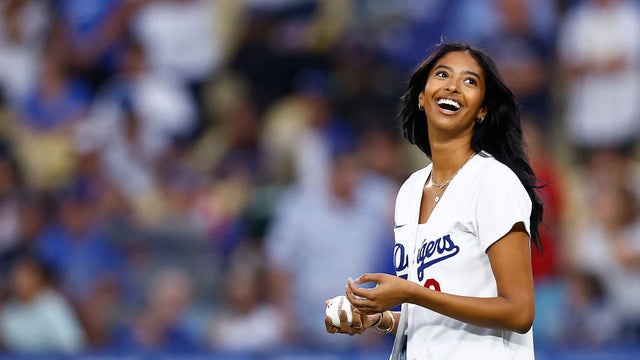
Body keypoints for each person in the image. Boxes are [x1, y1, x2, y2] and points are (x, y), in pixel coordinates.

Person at [324, 42, 544, 359]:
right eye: (442, 74)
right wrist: (379, 318)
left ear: (483, 109)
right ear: (421, 96)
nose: (453, 86)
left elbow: (519, 312)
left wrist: (412, 293)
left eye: (470, 81)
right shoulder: (410, 190)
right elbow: (435, 319)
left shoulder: (493, 182)